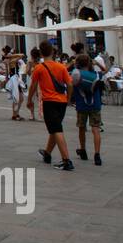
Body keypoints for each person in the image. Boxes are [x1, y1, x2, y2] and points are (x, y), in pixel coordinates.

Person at [28, 41, 74, 171]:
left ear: (41, 53)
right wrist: (68, 99)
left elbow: (33, 86)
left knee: (56, 129)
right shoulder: (61, 67)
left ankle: (66, 160)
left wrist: (29, 100)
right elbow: (69, 85)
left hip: (49, 102)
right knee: (55, 128)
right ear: (53, 52)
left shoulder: (39, 68)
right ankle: (47, 153)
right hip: (62, 102)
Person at [70, 53, 104, 166]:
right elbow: (106, 70)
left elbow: (66, 77)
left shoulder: (76, 74)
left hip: (81, 105)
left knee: (81, 128)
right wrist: (97, 63)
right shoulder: (96, 74)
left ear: (78, 63)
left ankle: (83, 150)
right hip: (95, 105)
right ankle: (97, 154)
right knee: (96, 129)